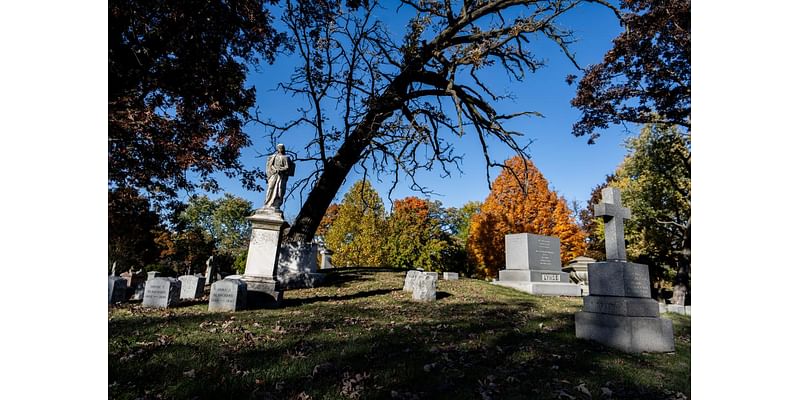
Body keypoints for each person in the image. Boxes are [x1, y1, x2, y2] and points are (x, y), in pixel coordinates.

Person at [264, 144, 294, 211]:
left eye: (282, 148)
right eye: (279, 148)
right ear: (278, 149)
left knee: (280, 190)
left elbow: (287, 167)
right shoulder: (274, 156)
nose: (281, 149)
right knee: (270, 187)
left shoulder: (286, 157)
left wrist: (280, 170)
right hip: (273, 175)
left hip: (281, 176)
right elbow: (270, 165)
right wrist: (274, 169)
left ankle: (276, 204)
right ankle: (268, 203)